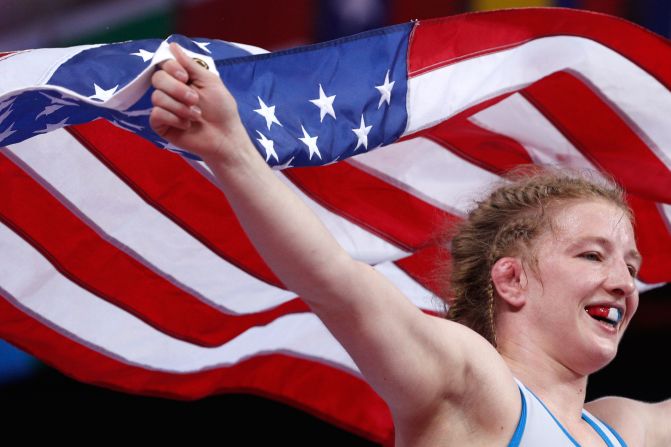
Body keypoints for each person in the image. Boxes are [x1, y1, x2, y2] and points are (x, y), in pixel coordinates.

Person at [149, 43, 670, 446]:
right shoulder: (472, 380)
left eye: (631, 264)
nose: (624, 283)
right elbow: (335, 280)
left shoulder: (623, 428)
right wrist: (231, 150)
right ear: (513, 278)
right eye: (592, 255)